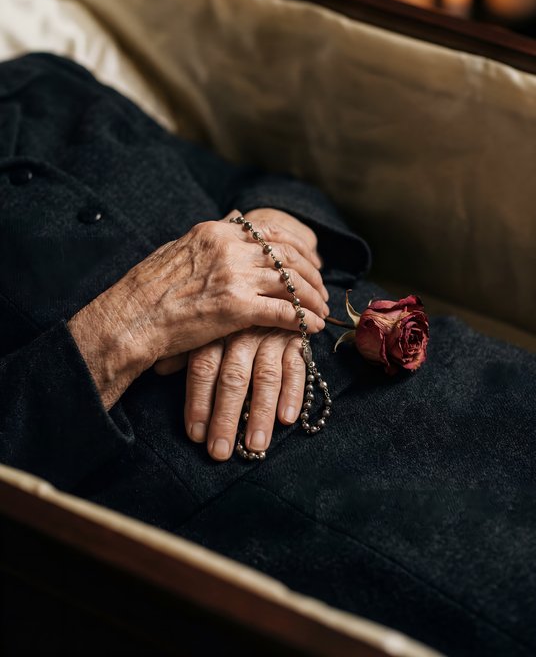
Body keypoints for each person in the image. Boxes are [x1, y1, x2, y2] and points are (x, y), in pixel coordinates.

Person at [1, 52, 535, 657]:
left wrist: (269, 242)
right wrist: (129, 321)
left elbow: (255, 182)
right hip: (274, 500)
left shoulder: (42, 79)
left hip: (421, 368)